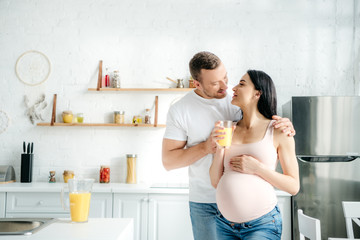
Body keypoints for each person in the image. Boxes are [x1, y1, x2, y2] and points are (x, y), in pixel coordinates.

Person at [162, 52, 295, 240]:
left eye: (225, 77)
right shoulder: (180, 110)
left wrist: (284, 124)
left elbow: (264, 122)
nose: (226, 86)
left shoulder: (237, 96)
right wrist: (206, 147)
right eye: (215, 83)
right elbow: (168, 161)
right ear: (197, 84)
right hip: (205, 203)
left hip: (254, 211)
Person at [209, 70, 300, 240]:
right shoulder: (229, 129)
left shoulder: (278, 130)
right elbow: (215, 181)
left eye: (242, 84)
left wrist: (257, 168)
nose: (234, 88)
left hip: (262, 225)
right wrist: (220, 149)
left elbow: (293, 186)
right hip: (224, 225)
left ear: (258, 93)